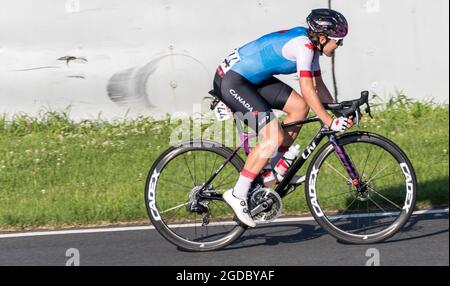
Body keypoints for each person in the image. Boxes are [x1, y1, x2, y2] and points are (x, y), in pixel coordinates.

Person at [212, 8, 354, 227]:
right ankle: (238, 194)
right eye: (338, 41)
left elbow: (318, 88)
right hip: (232, 81)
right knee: (273, 136)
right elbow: (307, 89)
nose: (339, 46)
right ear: (324, 36)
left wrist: (340, 111)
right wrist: (328, 121)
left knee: (299, 108)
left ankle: (273, 169)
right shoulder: (304, 47)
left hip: (252, 79)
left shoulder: (312, 48)